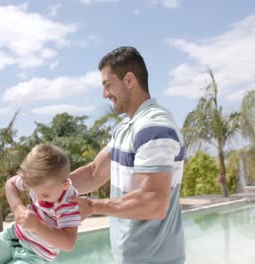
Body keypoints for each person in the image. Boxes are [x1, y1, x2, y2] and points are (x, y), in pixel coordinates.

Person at [70, 46, 186, 264]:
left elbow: (154, 202)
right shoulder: (127, 126)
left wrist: (94, 207)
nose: (105, 94)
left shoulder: (154, 127)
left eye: (107, 85)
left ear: (129, 80)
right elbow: (95, 173)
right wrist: (45, 186)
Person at [0, 144, 81, 264]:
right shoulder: (38, 180)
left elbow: (68, 243)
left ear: (65, 185)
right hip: (12, 237)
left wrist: (38, 226)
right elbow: (11, 183)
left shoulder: (69, 203)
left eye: (45, 195)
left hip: (36, 255)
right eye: (34, 191)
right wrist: (17, 207)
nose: (39, 197)